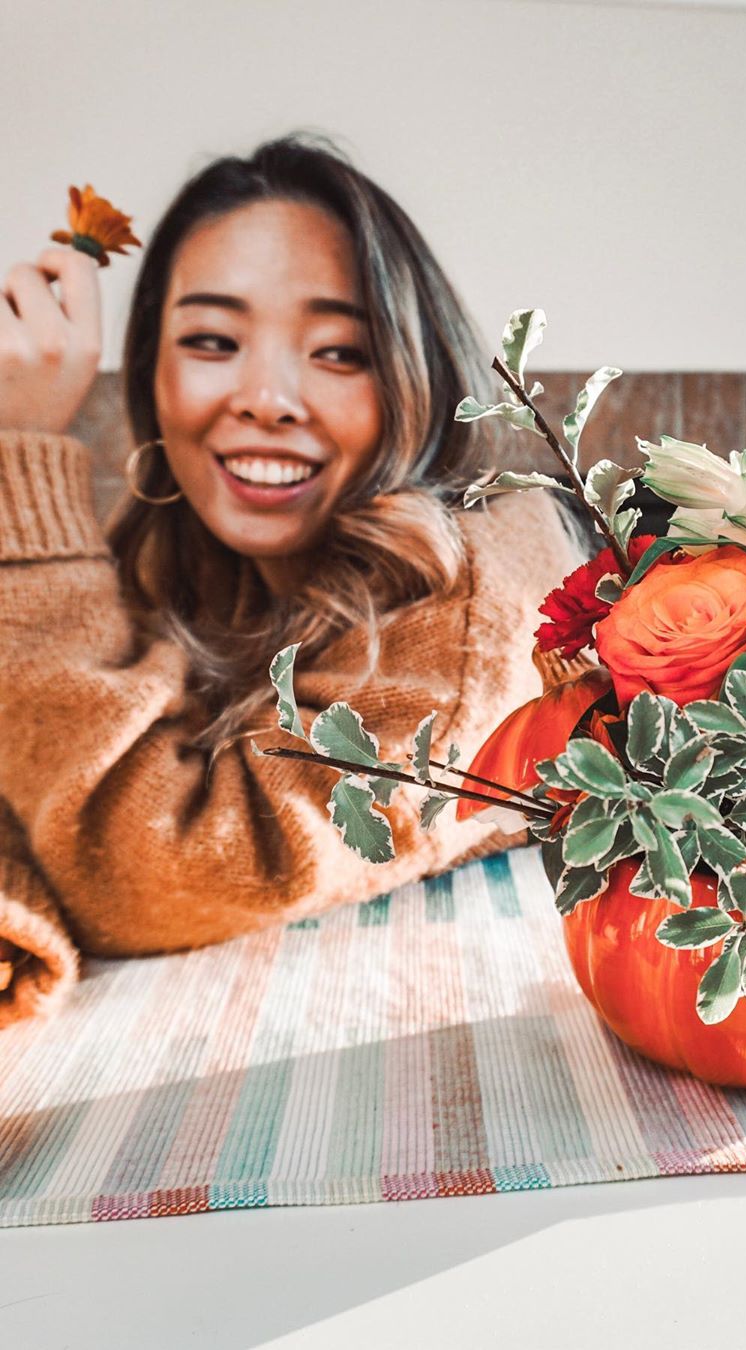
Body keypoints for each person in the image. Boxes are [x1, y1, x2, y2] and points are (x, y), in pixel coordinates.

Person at [0, 132, 578, 1028]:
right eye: (211, 339)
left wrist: (19, 456)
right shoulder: (185, 552)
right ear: (152, 375)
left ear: (413, 376)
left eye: (338, 352)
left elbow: (148, 870)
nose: (267, 397)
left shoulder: (476, 604)